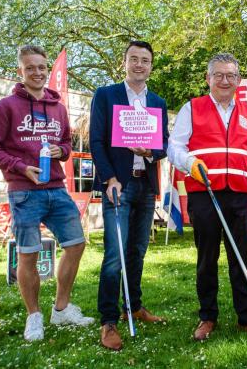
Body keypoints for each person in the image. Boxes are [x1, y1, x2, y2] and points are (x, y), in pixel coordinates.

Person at [0, 45, 94, 342]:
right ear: (20, 71)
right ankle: (34, 316)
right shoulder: (6, 106)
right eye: (30, 67)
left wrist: (62, 150)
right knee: (28, 255)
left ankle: (61, 307)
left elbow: (68, 144)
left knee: (76, 244)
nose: (37, 72)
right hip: (23, 192)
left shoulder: (59, 108)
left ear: (47, 69)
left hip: (56, 189)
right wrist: (20, 167)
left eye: (41, 67)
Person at [168, 53, 247, 343]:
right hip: (203, 192)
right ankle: (208, 316)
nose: (224, 80)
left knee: (241, 257)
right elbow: (175, 147)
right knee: (207, 257)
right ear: (208, 78)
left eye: (230, 75)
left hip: (239, 194)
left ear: (239, 80)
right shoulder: (191, 108)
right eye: (218, 75)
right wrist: (189, 163)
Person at [90, 40, 169, 350]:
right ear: (124, 62)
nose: (139, 64)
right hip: (118, 185)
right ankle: (108, 321)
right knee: (114, 255)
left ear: (151, 66)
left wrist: (150, 151)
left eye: (145, 60)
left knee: (137, 250)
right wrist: (109, 178)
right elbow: (97, 141)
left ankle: (133, 307)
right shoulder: (106, 95)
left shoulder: (158, 102)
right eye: (134, 59)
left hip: (145, 185)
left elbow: (162, 144)